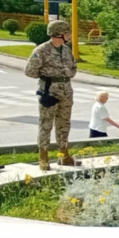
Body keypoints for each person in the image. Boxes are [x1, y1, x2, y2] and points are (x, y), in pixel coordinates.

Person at [25, 20, 79, 171]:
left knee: (64, 124)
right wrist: (47, 78)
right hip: (49, 91)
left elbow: (73, 68)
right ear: (59, 34)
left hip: (66, 91)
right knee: (46, 124)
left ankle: (64, 155)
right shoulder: (41, 50)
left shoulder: (66, 49)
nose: (70, 35)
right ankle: (44, 157)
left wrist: (64, 76)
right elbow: (30, 71)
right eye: (67, 33)